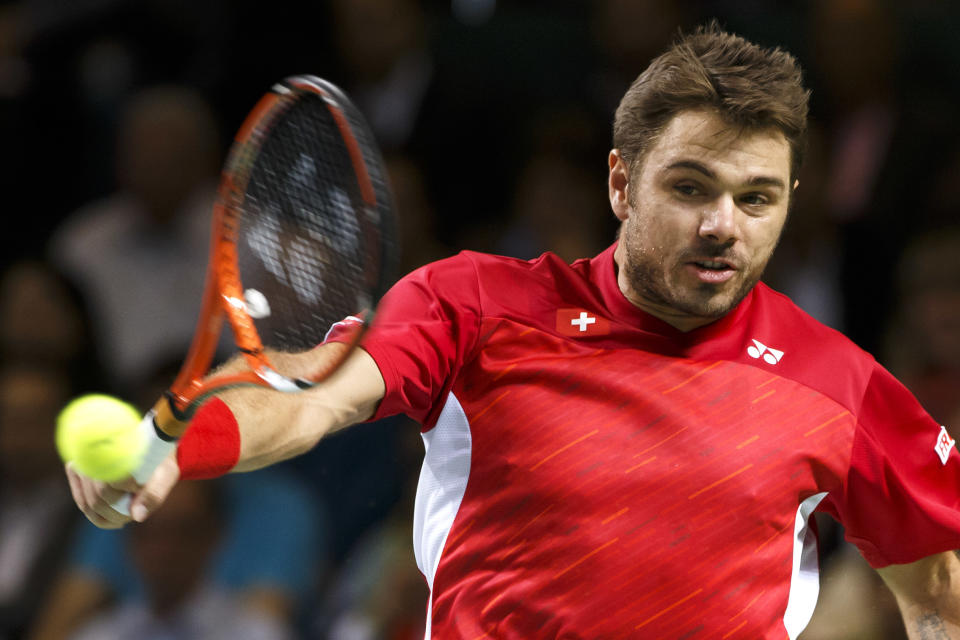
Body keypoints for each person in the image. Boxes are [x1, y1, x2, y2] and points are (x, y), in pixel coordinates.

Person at [67, 24, 960, 638]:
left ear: (789, 203)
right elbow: (311, 396)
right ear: (621, 184)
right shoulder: (478, 306)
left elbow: (937, 587)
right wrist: (172, 450)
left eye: (756, 198)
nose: (724, 224)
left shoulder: (837, 382)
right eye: (690, 187)